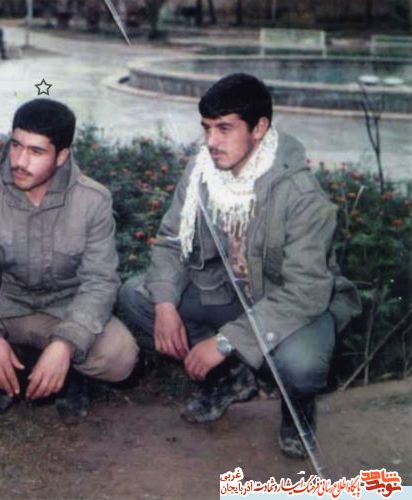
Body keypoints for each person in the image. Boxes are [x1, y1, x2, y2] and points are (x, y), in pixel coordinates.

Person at [118, 73, 361, 458]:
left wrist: (225, 341)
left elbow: (306, 292)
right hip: (227, 293)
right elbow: (170, 242)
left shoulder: (300, 195)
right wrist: (164, 305)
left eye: (225, 128)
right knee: (137, 295)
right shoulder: (201, 171)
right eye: (206, 128)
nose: (211, 141)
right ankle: (230, 377)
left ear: (259, 128)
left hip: (291, 306)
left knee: (301, 365)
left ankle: (297, 410)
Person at [0, 99, 138, 421]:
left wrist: (67, 343)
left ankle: (67, 372)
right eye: (16, 146)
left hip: (63, 308)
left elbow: (100, 282)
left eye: (36, 151)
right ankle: (1, 367)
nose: (20, 161)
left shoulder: (93, 200)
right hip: (0, 305)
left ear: (61, 156)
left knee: (119, 357)